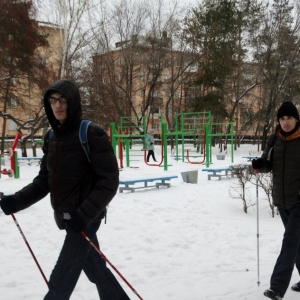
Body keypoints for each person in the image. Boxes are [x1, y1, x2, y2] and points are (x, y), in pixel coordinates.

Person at [0, 79, 130, 300]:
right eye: (53, 100)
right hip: (67, 216)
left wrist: (84, 215)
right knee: (96, 270)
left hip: (86, 218)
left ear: (73, 102)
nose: (58, 105)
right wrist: (16, 201)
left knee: (61, 280)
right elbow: (44, 181)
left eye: (63, 100)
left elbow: (109, 181)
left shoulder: (90, 133)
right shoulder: (52, 137)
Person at [252, 101, 300, 300]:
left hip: (299, 200)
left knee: (290, 242)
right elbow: (268, 163)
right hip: (281, 200)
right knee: (296, 243)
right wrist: (260, 164)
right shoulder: (275, 139)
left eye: (289, 118)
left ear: (296, 119)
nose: (286, 122)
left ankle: (277, 287)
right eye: (282, 118)